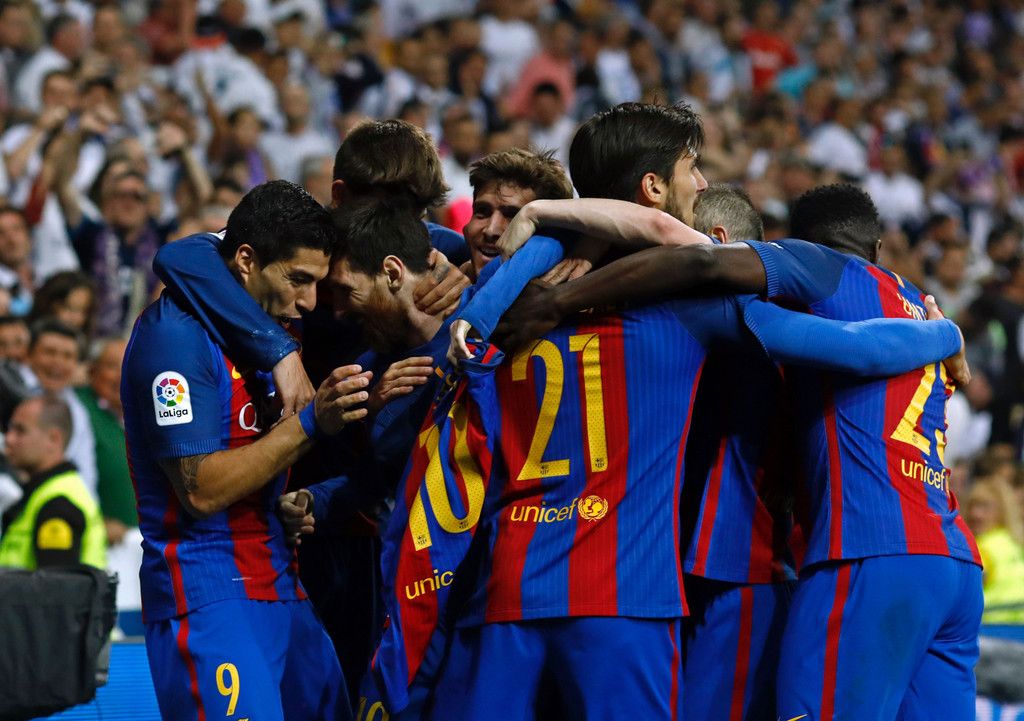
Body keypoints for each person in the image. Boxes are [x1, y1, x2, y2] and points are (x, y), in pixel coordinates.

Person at [429, 104, 968, 721]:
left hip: (503, 583)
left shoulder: (502, 295)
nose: (702, 182)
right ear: (654, 187)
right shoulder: (694, 304)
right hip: (624, 591)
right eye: (692, 167)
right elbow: (854, 348)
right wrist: (945, 333)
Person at [121, 180, 369, 721]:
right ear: (246, 261)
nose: (309, 303)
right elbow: (201, 491)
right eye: (298, 280)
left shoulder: (269, 328)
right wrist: (311, 423)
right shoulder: (175, 339)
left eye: (317, 282)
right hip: (207, 593)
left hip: (281, 582)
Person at [0, 395, 105, 570]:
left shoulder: (59, 503)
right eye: (9, 429)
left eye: (20, 430)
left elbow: (57, 584)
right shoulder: (45, 492)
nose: (9, 438)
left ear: (54, 439)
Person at [967, 477, 1024, 624]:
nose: (975, 514)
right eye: (972, 505)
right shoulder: (1014, 543)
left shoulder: (982, 549)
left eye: (985, 507)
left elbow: (965, 593)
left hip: (993, 628)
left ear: (1003, 511)